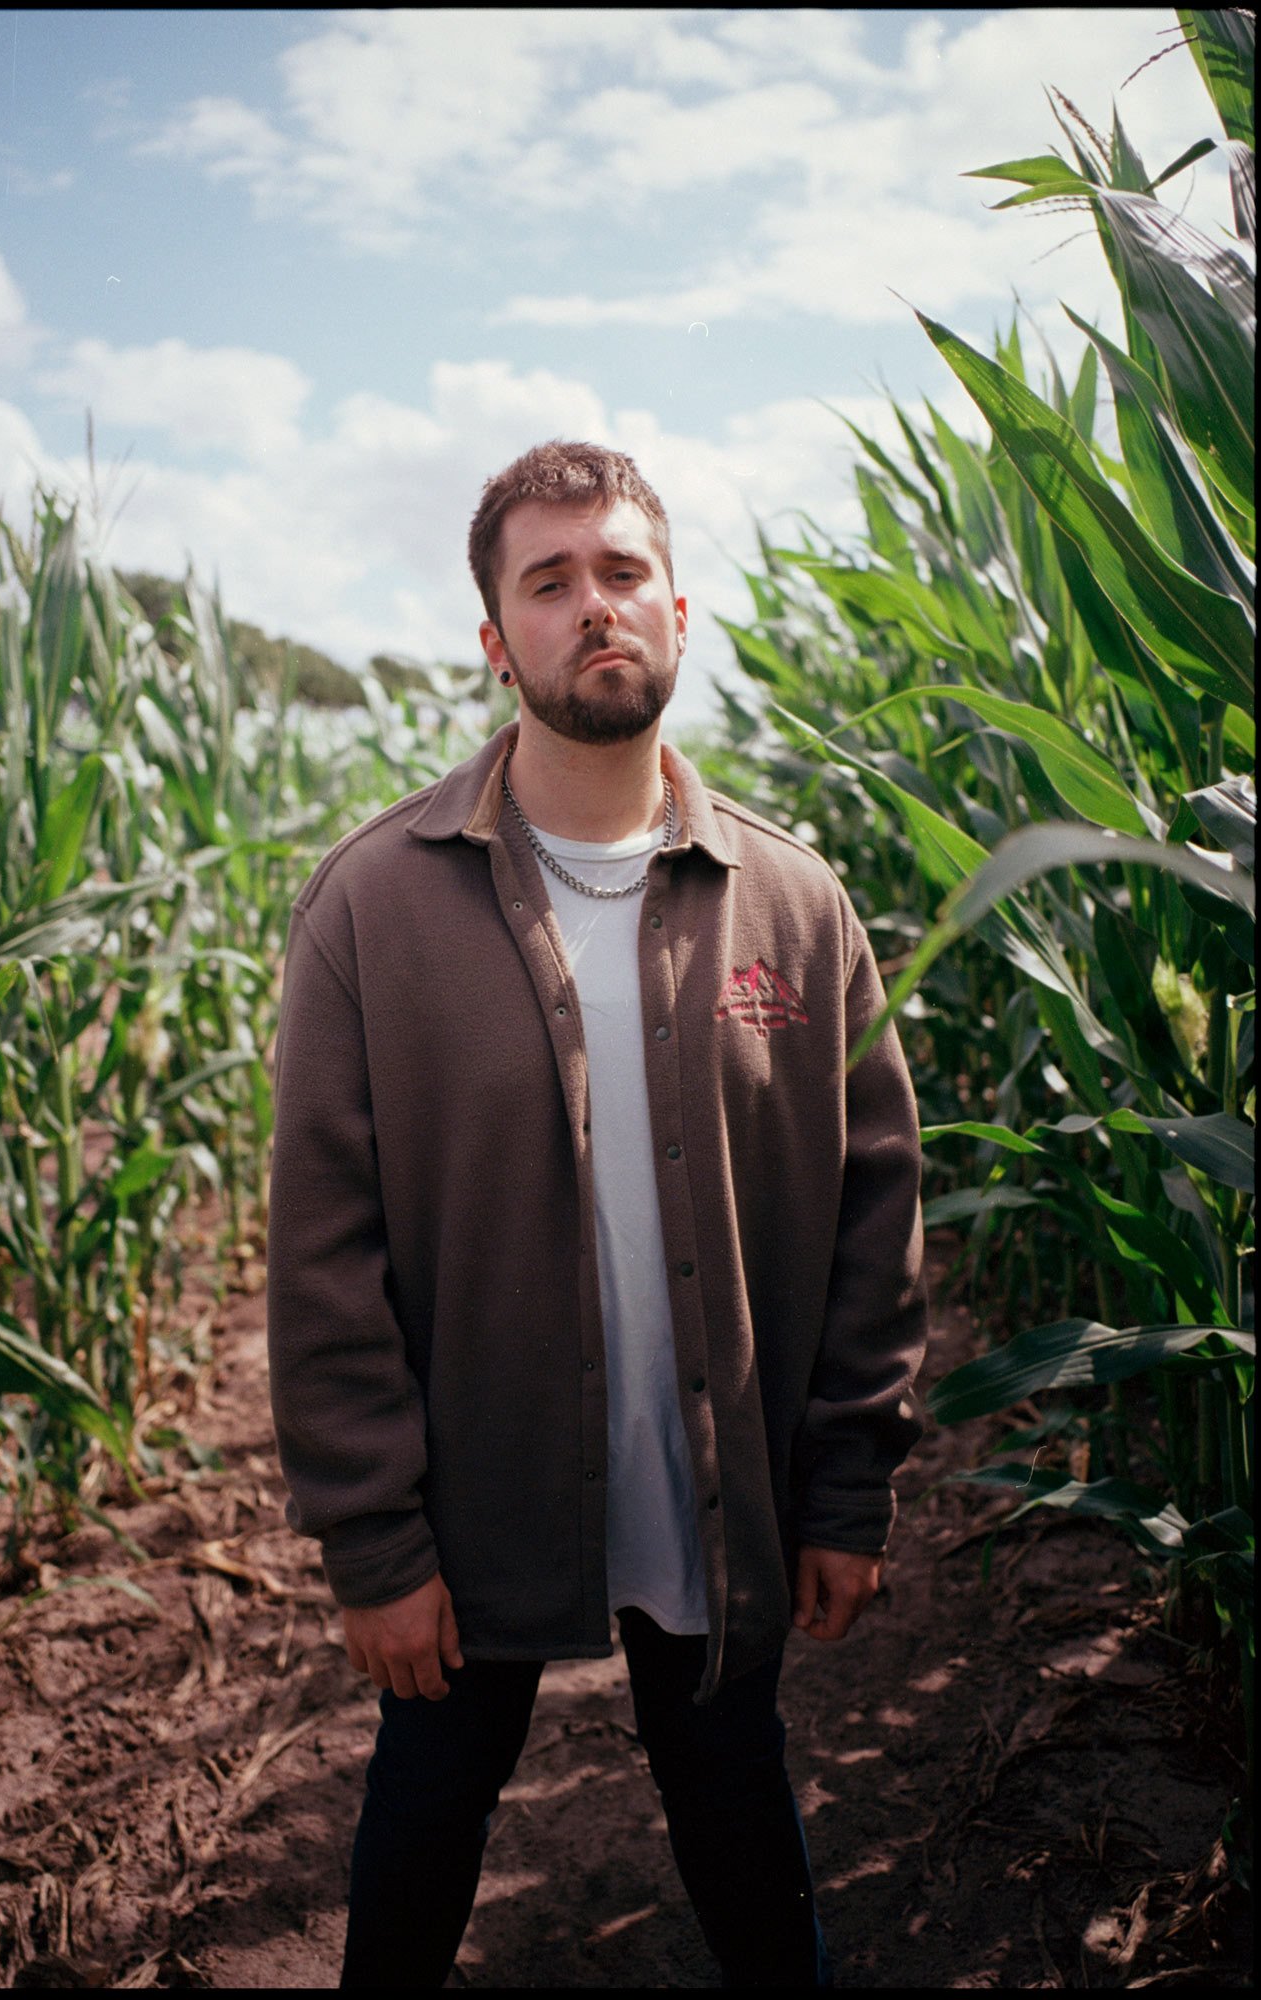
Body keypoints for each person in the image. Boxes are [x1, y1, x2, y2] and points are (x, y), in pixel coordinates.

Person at [265, 440, 927, 1990]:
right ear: (496, 642)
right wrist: (371, 1542)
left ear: (680, 615)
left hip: (713, 1484)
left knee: (736, 1804)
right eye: (548, 583)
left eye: (622, 573)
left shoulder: (794, 902)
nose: (594, 607)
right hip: (473, 1504)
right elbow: (323, 1256)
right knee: (427, 1813)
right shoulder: (375, 905)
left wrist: (845, 1488)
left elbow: (871, 1214)